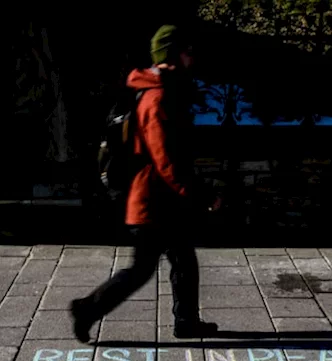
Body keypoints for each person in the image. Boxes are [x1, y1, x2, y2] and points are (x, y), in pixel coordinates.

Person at [70, 24, 220, 343]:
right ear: (171, 54)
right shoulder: (159, 96)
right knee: (142, 269)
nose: (192, 57)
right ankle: (87, 309)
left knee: (182, 260)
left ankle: (186, 321)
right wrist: (199, 192)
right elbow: (166, 158)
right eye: (187, 50)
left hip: (161, 199)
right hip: (154, 201)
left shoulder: (163, 89)